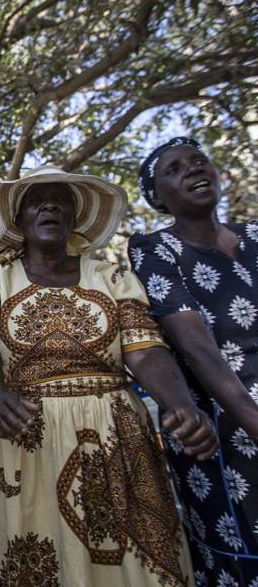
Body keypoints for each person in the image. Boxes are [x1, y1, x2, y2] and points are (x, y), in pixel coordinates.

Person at [0, 165, 219, 587]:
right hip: (28, 434)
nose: (50, 205)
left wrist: (181, 406)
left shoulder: (112, 278)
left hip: (115, 434)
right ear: (20, 218)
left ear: (74, 217)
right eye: (36, 200)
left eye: (61, 199)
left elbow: (145, 352)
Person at [129, 137, 258, 584]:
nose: (193, 170)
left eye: (199, 162)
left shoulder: (256, 236)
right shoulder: (153, 249)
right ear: (157, 197)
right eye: (175, 170)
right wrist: (252, 419)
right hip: (222, 424)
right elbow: (197, 347)